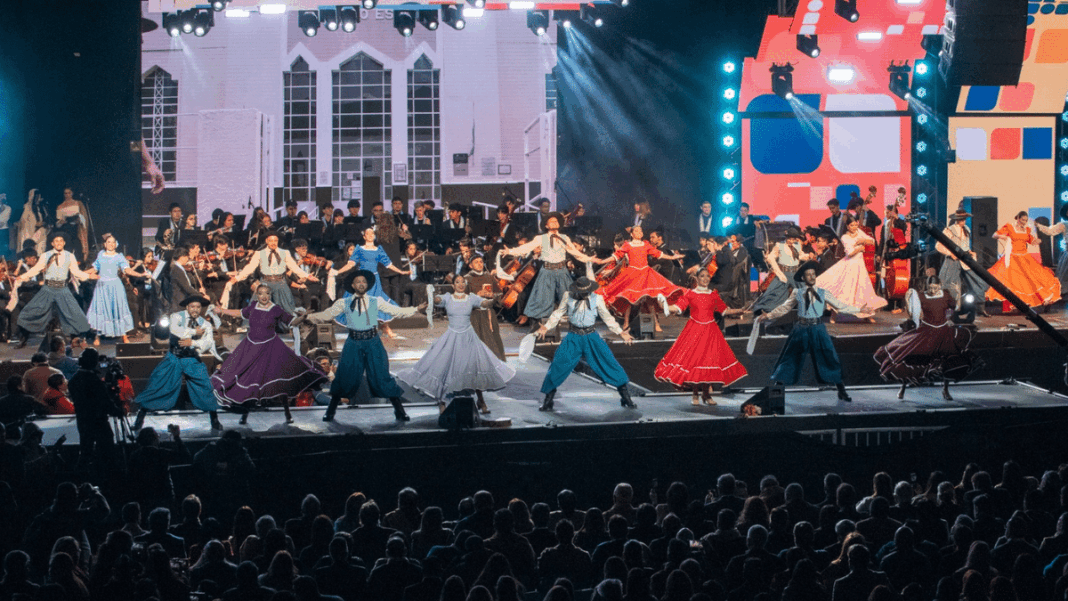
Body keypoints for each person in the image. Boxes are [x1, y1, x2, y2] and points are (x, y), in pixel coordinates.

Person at [304, 270, 427, 422]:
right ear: (353, 285)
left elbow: (396, 311)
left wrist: (416, 309)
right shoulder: (344, 303)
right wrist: (307, 317)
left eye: (364, 281)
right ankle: (330, 411)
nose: (362, 284)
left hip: (372, 341)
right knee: (344, 375)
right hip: (354, 342)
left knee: (382, 375)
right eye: (358, 282)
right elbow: (326, 315)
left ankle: (399, 411)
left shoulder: (376, 301)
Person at [753, 261, 870, 404]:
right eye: (808, 274)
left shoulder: (823, 292)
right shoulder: (797, 292)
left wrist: (859, 310)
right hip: (801, 328)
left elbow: (840, 306)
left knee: (829, 357)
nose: (812, 276)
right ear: (803, 278)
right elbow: (784, 308)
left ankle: (841, 391)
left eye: (813, 274)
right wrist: (768, 315)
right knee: (790, 358)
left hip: (818, 328)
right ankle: (777, 392)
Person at [398, 274, 515, 415]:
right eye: (458, 282)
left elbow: (484, 303)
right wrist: (433, 296)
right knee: (444, 368)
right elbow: (437, 300)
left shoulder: (471, 298)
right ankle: (441, 402)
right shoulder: (448, 297)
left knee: (474, 367)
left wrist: (493, 300)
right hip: (452, 336)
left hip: (469, 337)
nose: (461, 284)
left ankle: (481, 401)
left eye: (463, 282)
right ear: (453, 285)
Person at [211, 285, 326, 425]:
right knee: (249, 380)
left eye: (267, 293)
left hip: (270, 348)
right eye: (261, 293)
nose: (264, 296)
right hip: (251, 347)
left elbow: (292, 321)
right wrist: (222, 310)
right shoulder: (253, 306)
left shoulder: (275, 309)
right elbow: (239, 313)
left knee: (279, 381)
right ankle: (245, 415)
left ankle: (287, 413)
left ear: (270, 294)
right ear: (257, 295)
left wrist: (304, 317)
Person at [535, 277, 636, 411]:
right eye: (581, 292)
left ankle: (625, 397)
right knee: (558, 364)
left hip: (591, 336)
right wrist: (546, 327)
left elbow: (607, 317)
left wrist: (620, 332)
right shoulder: (568, 296)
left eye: (586, 292)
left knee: (609, 363)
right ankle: (548, 400)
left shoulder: (597, 298)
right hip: (573, 336)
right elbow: (558, 313)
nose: (584, 294)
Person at [874, 274, 980, 401]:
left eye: (935, 287)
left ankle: (945, 390)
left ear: (940, 286)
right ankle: (903, 388)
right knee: (913, 358)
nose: (933, 290)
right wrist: (909, 302)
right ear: (927, 286)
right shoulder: (921, 296)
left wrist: (958, 293)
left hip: (943, 332)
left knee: (947, 359)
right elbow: (913, 312)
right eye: (930, 288)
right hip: (926, 332)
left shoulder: (945, 295)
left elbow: (956, 307)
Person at [654, 269, 747, 405]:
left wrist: (739, 310)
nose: (705, 278)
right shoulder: (690, 294)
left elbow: (724, 310)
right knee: (695, 362)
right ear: (696, 278)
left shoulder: (713, 294)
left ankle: (706, 394)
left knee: (708, 362)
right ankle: (695, 393)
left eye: (707, 276)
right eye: (702, 276)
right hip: (694, 331)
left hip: (710, 331)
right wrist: (665, 306)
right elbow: (678, 308)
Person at [133, 295, 224, 431]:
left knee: (205, 385)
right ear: (187, 307)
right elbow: (175, 330)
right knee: (157, 384)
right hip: (174, 357)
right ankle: (140, 418)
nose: (195, 309)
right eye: (192, 307)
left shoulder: (205, 324)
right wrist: (194, 332)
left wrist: (192, 342)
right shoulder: (176, 317)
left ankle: (214, 420)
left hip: (191, 359)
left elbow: (208, 342)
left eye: (198, 307)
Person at [498, 212, 595, 326]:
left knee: (570, 299)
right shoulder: (541, 238)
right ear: (546, 225)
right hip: (547, 272)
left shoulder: (564, 238)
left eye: (556, 221)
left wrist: (589, 259)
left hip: (561, 271)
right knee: (542, 301)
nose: (554, 222)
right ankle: (539, 326)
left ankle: (580, 323)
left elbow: (575, 253)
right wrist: (510, 251)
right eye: (551, 221)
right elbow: (526, 247)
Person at [11, 233, 98, 349]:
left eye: (61, 240)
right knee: (30, 312)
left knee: (74, 313)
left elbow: (76, 272)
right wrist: (22, 277)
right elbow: (36, 269)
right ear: (52, 243)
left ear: (64, 243)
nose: (59, 243)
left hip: (62, 289)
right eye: (56, 241)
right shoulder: (45, 255)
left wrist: (88, 276)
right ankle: (23, 339)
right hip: (48, 288)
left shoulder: (69, 256)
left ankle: (76, 340)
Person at [594, 225, 686, 331]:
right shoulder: (628, 245)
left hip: (646, 274)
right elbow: (616, 256)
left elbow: (658, 254)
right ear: (632, 234)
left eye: (640, 230)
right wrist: (602, 261)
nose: (639, 232)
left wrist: (672, 257)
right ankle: (626, 323)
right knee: (629, 298)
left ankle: (656, 323)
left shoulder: (645, 244)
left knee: (650, 297)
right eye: (636, 231)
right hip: (632, 274)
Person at [332, 227, 411, 339]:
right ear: (364, 236)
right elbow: (351, 264)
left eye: (372, 233)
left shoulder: (379, 250)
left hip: (374, 281)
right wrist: (338, 271)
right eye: (368, 233)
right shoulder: (359, 249)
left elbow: (388, 264)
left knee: (381, 302)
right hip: (362, 281)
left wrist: (401, 271)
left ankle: (385, 327)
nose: (370, 235)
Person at [814, 216, 886, 321]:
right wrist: (859, 248)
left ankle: (868, 315)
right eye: (852, 225)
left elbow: (872, 241)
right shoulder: (845, 237)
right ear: (848, 226)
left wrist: (863, 240)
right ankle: (833, 316)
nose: (854, 227)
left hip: (860, 266)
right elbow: (850, 253)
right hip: (849, 266)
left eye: (856, 225)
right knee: (842, 290)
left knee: (863, 290)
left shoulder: (859, 232)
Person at [230, 231, 318, 315]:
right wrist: (237, 278)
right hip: (265, 282)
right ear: (266, 241)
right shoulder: (259, 253)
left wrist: (307, 276)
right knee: (257, 309)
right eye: (271, 240)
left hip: (280, 283)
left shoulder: (284, 253)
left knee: (286, 310)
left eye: (275, 240)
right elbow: (250, 268)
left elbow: (294, 267)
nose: (273, 243)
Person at [986, 211, 1061, 309]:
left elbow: (1031, 241)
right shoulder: (1010, 227)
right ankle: (1014, 303)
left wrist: (1037, 241)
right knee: (1014, 281)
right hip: (1013, 257)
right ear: (1018, 218)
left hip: (1025, 257)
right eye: (1022, 220)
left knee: (1031, 279)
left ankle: (1040, 299)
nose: (1024, 222)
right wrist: (1003, 236)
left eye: (1025, 220)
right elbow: (994, 235)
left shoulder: (1027, 230)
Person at [67, 349, 121, 465]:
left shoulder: (74, 380)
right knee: (106, 450)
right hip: (98, 421)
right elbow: (104, 402)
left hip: (83, 421)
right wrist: (117, 411)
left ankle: (84, 472)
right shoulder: (93, 380)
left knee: (86, 449)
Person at [86, 234, 138, 343]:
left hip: (115, 286)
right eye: (109, 242)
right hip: (102, 287)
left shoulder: (119, 256)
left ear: (116, 244)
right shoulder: (101, 254)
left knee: (119, 309)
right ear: (105, 244)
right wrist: (81, 273)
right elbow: (94, 269)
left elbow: (127, 270)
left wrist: (140, 274)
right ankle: (97, 336)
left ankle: (124, 335)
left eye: (113, 242)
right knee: (101, 309)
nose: (111, 244)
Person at [751, 226, 809, 316]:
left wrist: (808, 256)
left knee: (804, 291)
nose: (791, 241)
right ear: (786, 238)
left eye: (793, 239)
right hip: (784, 272)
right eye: (790, 239)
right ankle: (763, 309)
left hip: (795, 272)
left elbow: (800, 256)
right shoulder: (779, 246)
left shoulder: (797, 245)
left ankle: (806, 312)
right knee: (775, 292)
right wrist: (779, 272)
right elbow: (771, 258)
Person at [54, 187, 90, 261]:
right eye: (65, 193)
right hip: (66, 229)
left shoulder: (78, 203)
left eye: (69, 193)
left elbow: (83, 217)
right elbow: (58, 223)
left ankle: (80, 261)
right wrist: (62, 221)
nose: (67, 195)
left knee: (77, 245)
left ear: (72, 193)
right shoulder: (60, 206)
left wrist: (78, 220)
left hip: (77, 228)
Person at [17, 189, 48, 256]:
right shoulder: (27, 207)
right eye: (36, 197)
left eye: (39, 196)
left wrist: (43, 224)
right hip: (29, 233)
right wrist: (35, 224)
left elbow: (46, 218)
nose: (38, 199)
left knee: (40, 250)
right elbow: (23, 221)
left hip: (40, 232)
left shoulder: (41, 207)